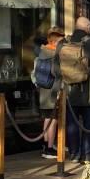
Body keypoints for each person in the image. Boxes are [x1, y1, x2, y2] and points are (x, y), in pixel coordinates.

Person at [58, 16, 90, 163]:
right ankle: (87, 155)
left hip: (69, 93)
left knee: (71, 124)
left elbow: (55, 69)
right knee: (89, 124)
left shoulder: (63, 43)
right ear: (87, 27)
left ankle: (74, 154)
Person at [35, 27, 65, 159]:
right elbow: (55, 72)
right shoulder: (54, 54)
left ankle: (46, 145)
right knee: (53, 119)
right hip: (53, 89)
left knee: (47, 118)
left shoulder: (42, 51)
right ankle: (49, 149)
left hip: (43, 90)